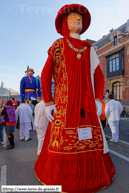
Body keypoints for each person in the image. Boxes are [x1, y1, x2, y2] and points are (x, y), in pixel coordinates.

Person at [35, 4, 115, 193]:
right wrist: (48, 101)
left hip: (87, 104)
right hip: (64, 104)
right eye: (73, 18)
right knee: (62, 138)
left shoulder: (90, 49)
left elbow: (99, 76)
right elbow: (46, 74)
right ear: (65, 23)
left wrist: (97, 99)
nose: (77, 20)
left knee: (91, 137)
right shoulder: (58, 45)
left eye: (79, 18)